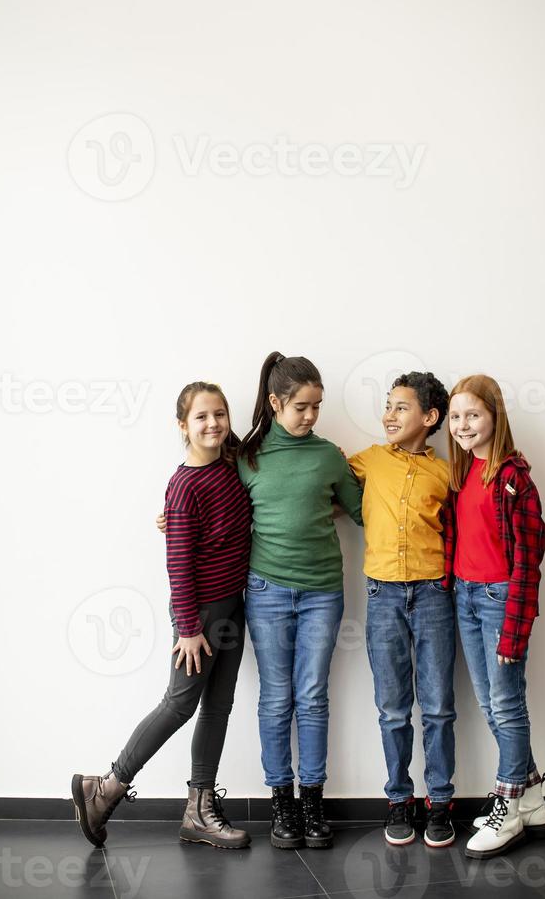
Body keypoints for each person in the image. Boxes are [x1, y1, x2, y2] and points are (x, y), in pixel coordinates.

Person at [72, 382, 252, 850]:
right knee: (179, 704)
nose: (212, 424)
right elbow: (177, 564)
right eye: (201, 417)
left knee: (219, 706)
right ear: (182, 426)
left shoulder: (231, 462)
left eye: (220, 414)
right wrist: (189, 629)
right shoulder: (184, 484)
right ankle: (105, 788)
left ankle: (198, 809)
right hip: (203, 614)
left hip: (235, 602)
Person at [238, 351, 363, 849]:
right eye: (302, 407)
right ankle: (281, 803)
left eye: (317, 406)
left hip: (321, 593)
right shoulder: (245, 457)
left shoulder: (329, 455)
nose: (311, 416)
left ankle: (312, 800)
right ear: (275, 403)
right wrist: (173, 515)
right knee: (276, 697)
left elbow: (361, 511)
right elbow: (218, 510)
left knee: (312, 696)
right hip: (266, 591)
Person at [348, 372, 457, 849]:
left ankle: (440, 802)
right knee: (393, 708)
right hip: (382, 595)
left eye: (400, 407)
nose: (388, 415)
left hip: (434, 594)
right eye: (387, 406)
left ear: (430, 418)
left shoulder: (447, 473)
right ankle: (398, 799)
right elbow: (316, 483)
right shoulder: (369, 461)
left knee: (437, 708)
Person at [446, 374, 545, 860]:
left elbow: (528, 564)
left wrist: (514, 629)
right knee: (491, 703)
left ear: (494, 417)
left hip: (499, 600)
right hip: (465, 597)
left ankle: (507, 806)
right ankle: (530, 797)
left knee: (506, 703)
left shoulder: (513, 479)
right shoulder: (462, 471)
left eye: (473, 415)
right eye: (456, 416)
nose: (463, 425)